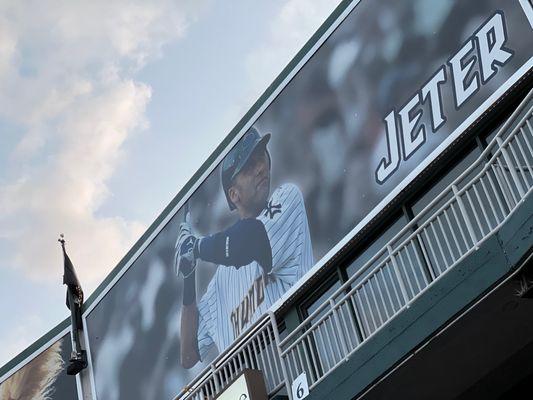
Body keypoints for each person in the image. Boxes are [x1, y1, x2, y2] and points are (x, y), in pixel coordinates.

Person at [176, 127, 314, 369]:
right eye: (249, 166)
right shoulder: (221, 282)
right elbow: (188, 355)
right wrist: (189, 277)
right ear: (234, 194)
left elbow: (249, 240)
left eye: (261, 156)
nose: (260, 167)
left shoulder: (288, 198)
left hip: (305, 364)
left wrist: (196, 247)